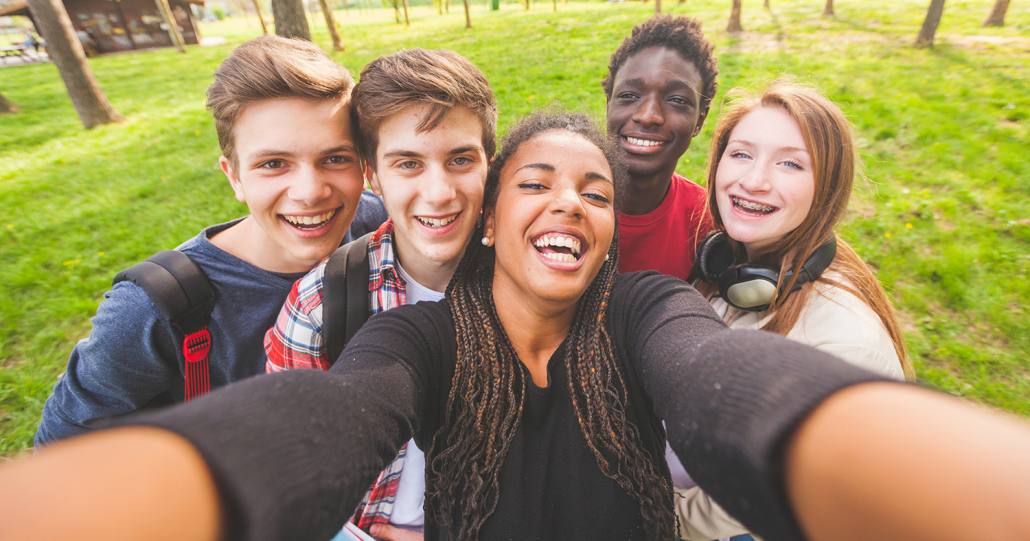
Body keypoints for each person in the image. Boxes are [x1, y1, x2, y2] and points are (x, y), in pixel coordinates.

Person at [2, 113, 1030, 541]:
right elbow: (324, 416)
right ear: (490, 219)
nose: (568, 204)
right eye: (535, 182)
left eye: (591, 190)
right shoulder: (420, 339)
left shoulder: (643, 310)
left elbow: (732, 383)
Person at [34, 36, 386, 446]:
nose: (310, 191)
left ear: (363, 166)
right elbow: (62, 448)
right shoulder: (154, 309)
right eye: (273, 164)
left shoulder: (375, 223)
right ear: (233, 175)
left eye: (335, 158)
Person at [263, 48, 496, 540]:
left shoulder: (531, 287)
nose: (439, 192)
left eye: (460, 159)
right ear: (372, 175)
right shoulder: (320, 306)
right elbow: (287, 484)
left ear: (488, 163)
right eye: (408, 163)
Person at [671, 81, 917, 540]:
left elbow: (730, 520)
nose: (754, 180)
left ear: (826, 188)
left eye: (790, 163)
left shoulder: (844, 345)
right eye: (741, 154)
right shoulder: (729, 270)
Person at [603, 15, 718, 280]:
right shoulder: (562, 202)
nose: (648, 115)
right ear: (608, 104)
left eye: (677, 100)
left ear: (700, 119)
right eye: (629, 96)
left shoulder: (705, 222)